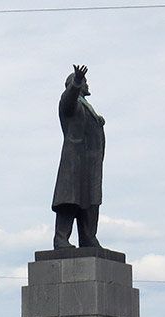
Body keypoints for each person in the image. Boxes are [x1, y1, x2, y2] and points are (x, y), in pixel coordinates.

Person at [52, 64, 106, 249]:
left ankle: (88, 237)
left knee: (90, 201)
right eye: (85, 82)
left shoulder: (87, 106)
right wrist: (75, 82)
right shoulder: (70, 102)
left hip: (90, 163)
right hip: (74, 160)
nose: (87, 84)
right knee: (70, 200)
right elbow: (68, 101)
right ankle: (61, 239)